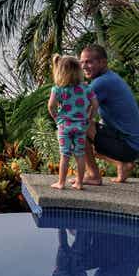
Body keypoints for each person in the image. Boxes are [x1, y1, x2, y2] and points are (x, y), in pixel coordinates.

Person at [80, 43, 139, 184]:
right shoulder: (110, 78)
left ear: (103, 62)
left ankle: (93, 175)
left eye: (89, 62)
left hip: (127, 146)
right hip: (133, 146)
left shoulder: (101, 83)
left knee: (76, 128)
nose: (84, 66)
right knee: (88, 136)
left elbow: (75, 108)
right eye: (82, 62)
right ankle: (121, 165)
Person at [47, 54, 96, 189]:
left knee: (65, 154)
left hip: (65, 126)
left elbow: (51, 106)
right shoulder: (86, 88)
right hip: (81, 126)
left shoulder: (58, 89)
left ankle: (61, 183)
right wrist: (89, 117)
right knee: (80, 154)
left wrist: (57, 118)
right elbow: (95, 105)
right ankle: (79, 183)